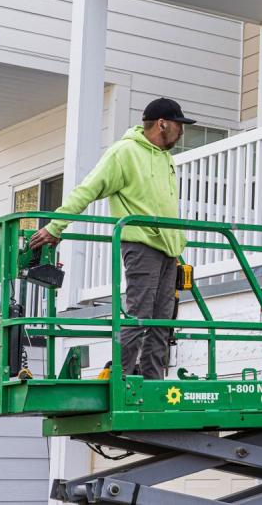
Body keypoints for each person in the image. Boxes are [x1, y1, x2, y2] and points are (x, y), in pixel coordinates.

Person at [29, 98, 195, 379]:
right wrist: (56, 226)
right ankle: (121, 376)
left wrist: (176, 248)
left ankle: (154, 382)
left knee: (162, 322)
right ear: (162, 124)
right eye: (179, 126)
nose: (182, 133)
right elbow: (88, 189)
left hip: (169, 251)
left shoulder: (166, 159)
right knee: (137, 315)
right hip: (142, 245)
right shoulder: (124, 153)